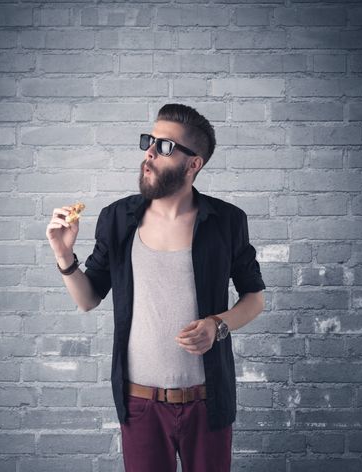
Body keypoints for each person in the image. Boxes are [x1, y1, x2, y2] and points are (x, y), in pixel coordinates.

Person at [46, 103, 266, 472]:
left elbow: (255, 298)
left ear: (193, 164)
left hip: (207, 403)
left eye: (165, 146)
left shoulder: (227, 221)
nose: (150, 152)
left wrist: (218, 324)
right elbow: (88, 299)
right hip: (140, 404)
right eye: (150, 141)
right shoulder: (117, 218)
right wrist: (64, 255)